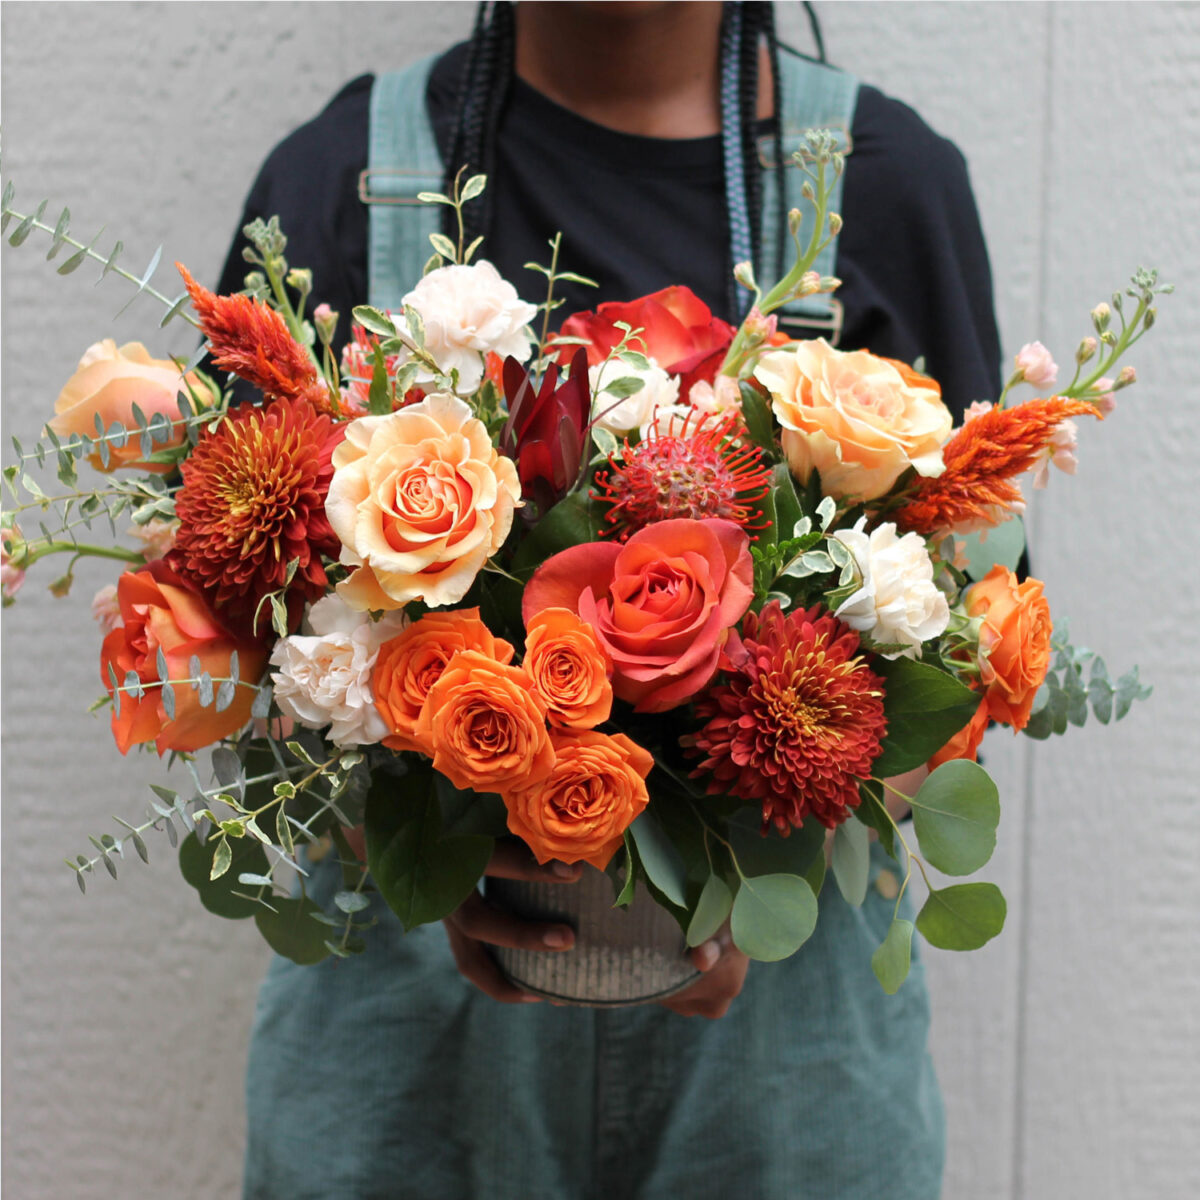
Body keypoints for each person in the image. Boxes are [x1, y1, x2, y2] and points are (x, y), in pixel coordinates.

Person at [217, 4, 1001, 1196]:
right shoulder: (338, 179)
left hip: (780, 1090)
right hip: (408, 1084)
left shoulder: (892, 190)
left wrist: (763, 854)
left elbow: (982, 641)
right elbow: (223, 633)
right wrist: (411, 845)